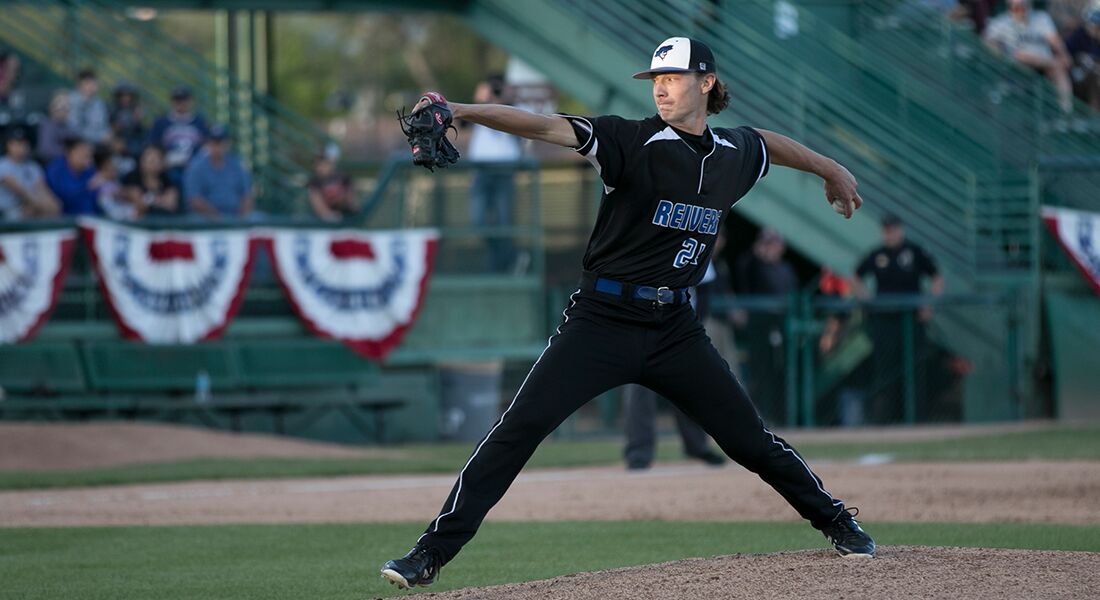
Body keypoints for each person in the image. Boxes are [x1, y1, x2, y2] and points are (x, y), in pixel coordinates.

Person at [380, 36, 876, 591]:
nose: (661, 87)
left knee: (750, 441)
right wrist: (462, 110)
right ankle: (428, 555)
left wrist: (830, 168)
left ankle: (837, 521)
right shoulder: (631, 140)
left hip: (675, 329)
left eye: (674, 77)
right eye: (656, 79)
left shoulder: (734, 154)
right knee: (516, 430)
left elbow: (769, 144)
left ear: (706, 83)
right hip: (601, 319)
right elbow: (544, 125)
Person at [850, 214, 944, 424]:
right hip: (885, 320)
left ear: (900, 229)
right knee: (885, 371)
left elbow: (937, 277)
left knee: (914, 370)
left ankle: (916, 418)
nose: (889, 234)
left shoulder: (915, 251)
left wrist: (929, 304)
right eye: (886, 229)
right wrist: (867, 298)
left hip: (911, 321)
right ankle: (885, 420)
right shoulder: (877, 254)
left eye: (892, 229)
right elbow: (856, 276)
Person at [734, 227, 799, 424]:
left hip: (782, 327)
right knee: (760, 374)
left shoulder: (785, 269)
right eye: (767, 244)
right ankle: (760, 417)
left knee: (781, 374)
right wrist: (756, 254)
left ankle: (783, 417)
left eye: (774, 244)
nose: (771, 248)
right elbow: (743, 271)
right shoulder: (754, 265)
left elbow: (794, 292)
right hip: (760, 327)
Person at [466, 75, 523, 272]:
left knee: (503, 222)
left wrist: (505, 100)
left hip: (504, 172)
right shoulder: (480, 108)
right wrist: (480, 100)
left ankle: (502, 265)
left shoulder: (515, 108)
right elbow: (461, 123)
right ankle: (509, 259)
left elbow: (526, 123)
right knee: (479, 221)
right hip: (481, 172)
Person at [984, 0, 1074, 113]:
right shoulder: (1001, 23)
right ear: (1010, 8)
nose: (1022, 10)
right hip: (1017, 65)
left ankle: (1066, 111)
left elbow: (1055, 41)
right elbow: (989, 43)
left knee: (1059, 71)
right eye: (1017, 7)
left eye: (1024, 6)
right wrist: (996, 49)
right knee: (1022, 56)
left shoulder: (1041, 18)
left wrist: (1064, 54)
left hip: (1044, 66)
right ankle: (1055, 64)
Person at [182, 124, 253, 218]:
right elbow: (195, 200)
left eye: (221, 143)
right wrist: (218, 218)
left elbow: (247, 194)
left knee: (259, 220)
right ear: (208, 143)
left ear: (228, 144)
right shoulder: (196, 167)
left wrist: (241, 217)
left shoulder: (237, 165)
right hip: (205, 218)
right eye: (214, 143)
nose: (218, 147)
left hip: (235, 217)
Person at [148, 85, 208, 187]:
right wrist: (164, 160)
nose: (181, 103)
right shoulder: (162, 122)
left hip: (194, 166)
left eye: (184, 99)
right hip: (168, 168)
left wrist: (195, 161)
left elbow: (207, 146)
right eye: (177, 100)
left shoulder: (199, 122)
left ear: (191, 101)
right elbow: (153, 145)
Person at [0, 127, 59, 220]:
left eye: (24, 144)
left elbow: (42, 189)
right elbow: (21, 192)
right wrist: (42, 206)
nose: (21, 147)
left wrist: (52, 203)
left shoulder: (33, 166)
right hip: (6, 213)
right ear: (8, 145)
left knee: (54, 206)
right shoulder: (2, 165)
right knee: (32, 211)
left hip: (31, 208)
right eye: (16, 143)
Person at [45, 135, 101, 216]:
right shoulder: (56, 169)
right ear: (69, 153)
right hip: (65, 219)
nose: (87, 158)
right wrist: (86, 187)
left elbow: (95, 198)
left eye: (88, 155)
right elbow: (63, 197)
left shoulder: (89, 170)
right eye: (82, 153)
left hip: (90, 218)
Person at [122, 144, 179, 217]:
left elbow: (171, 205)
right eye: (151, 160)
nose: (155, 163)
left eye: (158, 159)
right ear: (142, 161)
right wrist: (160, 201)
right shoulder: (131, 178)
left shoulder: (167, 179)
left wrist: (148, 201)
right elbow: (139, 204)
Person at [1065, 7, 1100, 110]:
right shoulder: (1080, 35)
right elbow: (1066, 53)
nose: (1094, 29)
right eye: (1092, 25)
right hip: (1076, 76)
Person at [307, 152, 357, 221]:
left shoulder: (343, 177)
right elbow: (317, 201)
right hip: (323, 218)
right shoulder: (314, 181)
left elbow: (351, 199)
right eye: (317, 165)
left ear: (331, 164)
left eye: (323, 164)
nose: (320, 168)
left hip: (345, 213)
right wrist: (328, 214)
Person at [67, 69, 110, 144]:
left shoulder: (99, 103)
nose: (94, 85)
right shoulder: (70, 100)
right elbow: (74, 130)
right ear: (80, 84)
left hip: (97, 145)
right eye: (89, 82)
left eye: (94, 82)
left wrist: (107, 135)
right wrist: (99, 137)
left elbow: (103, 127)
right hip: (75, 144)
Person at [110, 81, 146, 161]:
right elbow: (113, 129)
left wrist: (136, 120)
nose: (125, 98)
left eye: (128, 95)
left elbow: (139, 132)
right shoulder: (113, 110)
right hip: (116, 140)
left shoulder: (135, 109)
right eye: (122, 95)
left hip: (131, 142)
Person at [37, 91, 73, 165]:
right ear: (52, 107)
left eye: (66, 106)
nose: (64, 110)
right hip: (51, 164)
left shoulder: (69, 126)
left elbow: (76, 144)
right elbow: (45, 150)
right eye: (60, 106)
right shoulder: (46, 125)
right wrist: (69, 154)